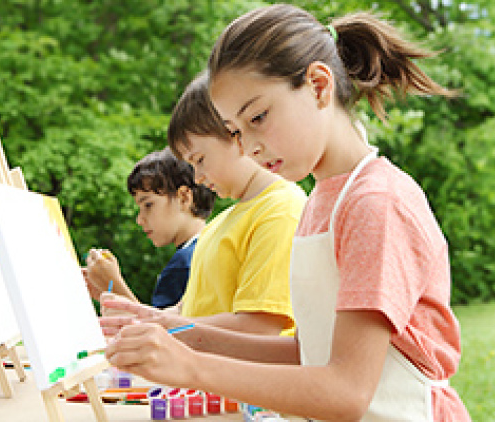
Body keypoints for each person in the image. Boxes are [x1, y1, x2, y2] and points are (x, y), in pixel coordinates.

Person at [103, 5, 470, 421]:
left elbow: (347, 392)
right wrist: (181, 333)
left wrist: (192, 367)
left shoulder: (375, 201)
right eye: (237, 131)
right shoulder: (319, 201)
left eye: (258, 116)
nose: (249, 147)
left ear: (317, 86)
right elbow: (308, 353)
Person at [100, 70, 307, 341]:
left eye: (199, 159)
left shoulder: (281, 209)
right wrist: (140, 318)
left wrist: (162, 326)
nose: (197, 177)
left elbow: (261, 326)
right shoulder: (218, 225)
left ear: (236, 135)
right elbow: (188, 311)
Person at [84, 147, 215, 308]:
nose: (140, 219)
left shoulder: (185, 264)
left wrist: (114, 287)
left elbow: (163, 330)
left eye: (148, 204)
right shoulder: (214, 248)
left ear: (183, 198)